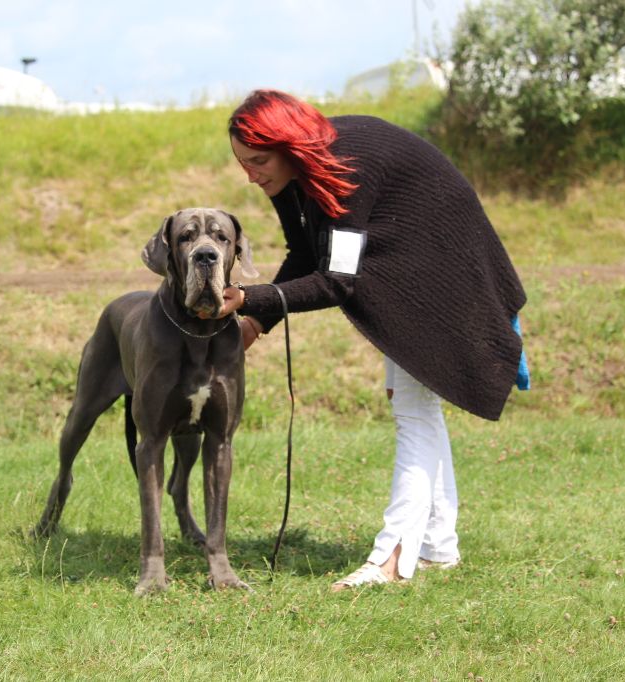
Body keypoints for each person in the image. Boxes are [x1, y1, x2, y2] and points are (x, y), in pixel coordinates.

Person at [211, 89, 528, 589]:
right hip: (409, 269)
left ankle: (393, 560)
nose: (250, 174)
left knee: (412, 408)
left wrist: (248, 299)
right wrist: (256, 323)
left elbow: (337, 281)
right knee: (412, 402)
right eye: (242, 163)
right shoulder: (297, 172)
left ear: (288, 145)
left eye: (257, 160)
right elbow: (303, 252)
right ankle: (438, 547)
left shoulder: (348, 164)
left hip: (446, 278)